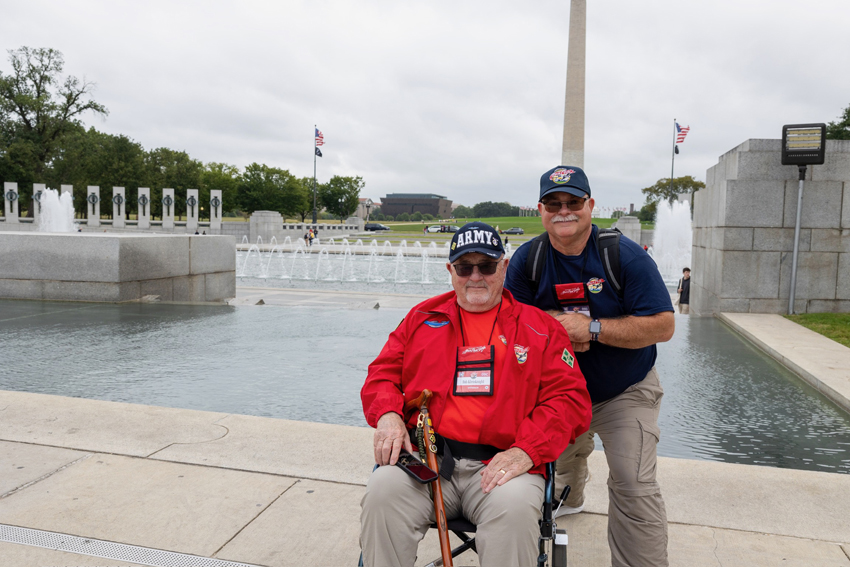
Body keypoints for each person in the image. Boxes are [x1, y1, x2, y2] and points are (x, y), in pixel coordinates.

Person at [360, 221, 592, 567]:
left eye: (486, 266)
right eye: (465, 267)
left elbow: (570, 401)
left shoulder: (541, 328)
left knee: (514, 511)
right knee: (382, 493)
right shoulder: (421, 318)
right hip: (429, 460)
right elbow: (382, 374)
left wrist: (526, 451)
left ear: (504, 267)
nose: (475, 276)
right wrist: (389, 415)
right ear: (450, 270)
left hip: (503, 467)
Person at [504, 166, 675, 567]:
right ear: (541, 211)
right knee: (562, 464)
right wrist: (557, 330)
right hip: (557, 391)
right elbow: (511, 329)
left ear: (590, 206)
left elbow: (663, 325)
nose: (564, 210)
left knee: (633, 482)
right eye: (553, 203)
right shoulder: (528, 260)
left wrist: (592, 328)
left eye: (573, 202)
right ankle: (573, 497)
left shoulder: (623, 255)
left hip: (624, 389)